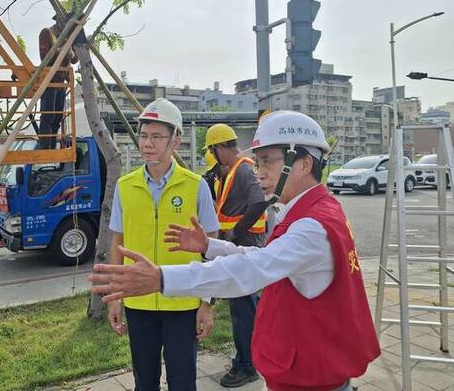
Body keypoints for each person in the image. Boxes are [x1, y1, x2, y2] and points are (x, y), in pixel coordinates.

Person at [91, 110, 381, 391]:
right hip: (309, 368)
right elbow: (259, 259)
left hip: (312, 376)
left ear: (303, 164)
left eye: (267, 161)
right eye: (257, 162)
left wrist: (162, 279)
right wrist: (209, 246)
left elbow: (250, 272)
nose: (258, 172)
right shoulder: (315, 212)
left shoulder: (311, 227)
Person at [107, 98, 219, 391]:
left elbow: (212, 249)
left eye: (157, 136)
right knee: (145, 380)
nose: (147, 143)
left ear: (176, 140)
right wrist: (115, 295)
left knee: (183, 380)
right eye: (144, 135)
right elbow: (117, 242)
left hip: (183, 300)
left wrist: (206, 303)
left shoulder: (196, 186)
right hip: (138, 300)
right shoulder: (124, 186)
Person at [203, 124, 267, 388]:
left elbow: (259, 201)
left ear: (218, 149)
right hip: (238, 246)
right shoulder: (237, 170)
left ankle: (247, 365)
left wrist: (234, 233)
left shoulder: (243, 169)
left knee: (244, 310)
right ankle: (248, 359)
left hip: (244, 245)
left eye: (213, 152)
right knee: (243, 308)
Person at [37, 17, 78, 149]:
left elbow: (74, 60)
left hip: (61, 83)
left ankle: (51, 147)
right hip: (49, 82)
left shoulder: (67, 38)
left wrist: (75, 48)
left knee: (57, 118)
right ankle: (45, 148)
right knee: (48, 116)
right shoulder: (47, 33)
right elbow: (45, 57)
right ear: (58, 21)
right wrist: (63, 50)